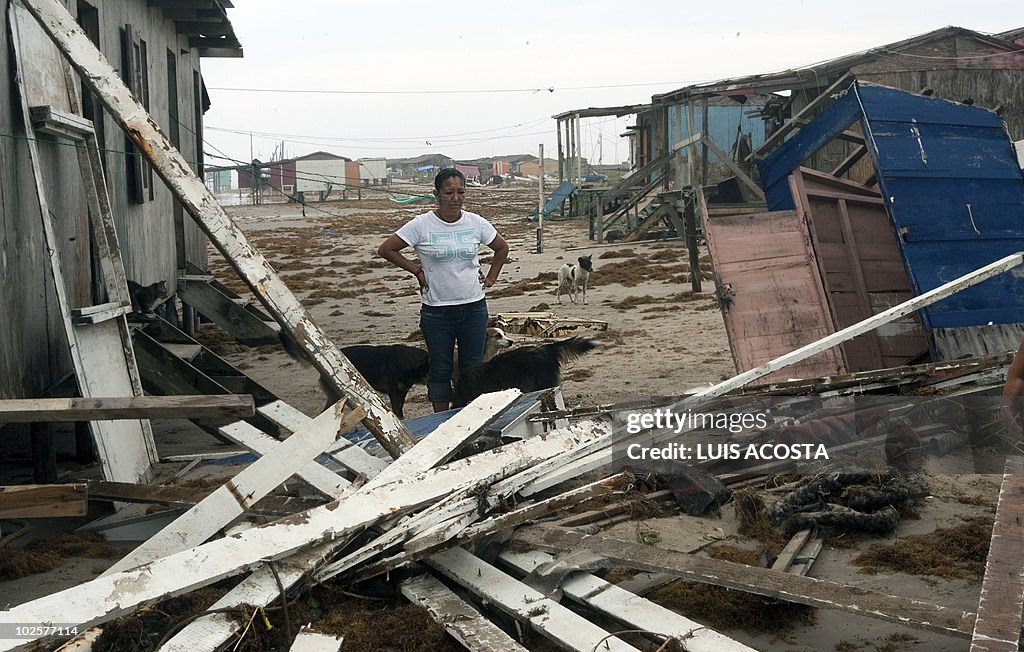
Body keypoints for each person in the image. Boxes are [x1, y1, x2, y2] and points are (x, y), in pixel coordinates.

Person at [377, 168, 509, 413]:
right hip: (437, 312)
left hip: (474, 309)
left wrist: (491, 277)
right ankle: (442, 420)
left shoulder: (476, 222)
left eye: (460, 192)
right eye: (449, 192)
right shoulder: (421, 225)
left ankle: (470, 415)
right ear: (436, 193)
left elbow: (502, 248)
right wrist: (417, 270)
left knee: (472, 368)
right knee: (440, 368)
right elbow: (386, 250)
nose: (455, 198)